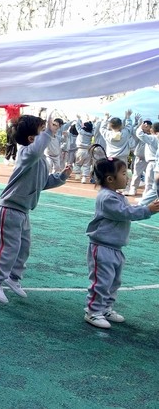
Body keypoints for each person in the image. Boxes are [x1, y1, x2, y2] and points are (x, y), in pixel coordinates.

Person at [0, 111, 72, 304]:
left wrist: (61, 177)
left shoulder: (40, 160)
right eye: (43, 131)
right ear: (32, 139)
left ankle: (13, 277)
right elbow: (35, 150)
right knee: (7, 248)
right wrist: (49, 132)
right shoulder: (26, 153)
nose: (48, 134)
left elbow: (42, 183)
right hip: (9, 209)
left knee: (23, 248)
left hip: (22, 211)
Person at [84, 151, 159, 329]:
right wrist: (147, 210)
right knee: (102, 281)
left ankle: (106, 308)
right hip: (102, 248)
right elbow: (125, 213)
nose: (128, 176)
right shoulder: (106, 198)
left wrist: (148, 208)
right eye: (124, 173)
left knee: (114, 281)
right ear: (110, 179)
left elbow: (128, 210)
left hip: (115, 247)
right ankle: (93, 311)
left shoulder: (117, 195)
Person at [127, 119, 152, 196]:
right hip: (140, 158)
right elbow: (134, 132)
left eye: (148, 126)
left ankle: (149, 192)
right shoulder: (140, 135)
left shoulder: (153, 135)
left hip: (150, 160)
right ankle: (133, 189)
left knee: (150, 176)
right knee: (136, 174)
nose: (146, 127)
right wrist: (139, 126)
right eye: (145, 125)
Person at [74, 116, 94, 184]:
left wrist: (78, 119)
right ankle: (84, 178)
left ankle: (77, 175)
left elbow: (77, 125)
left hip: (80, 150)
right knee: (87, 165)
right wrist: (92, 122)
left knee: (78, 163)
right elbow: (93, 128)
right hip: (88, 151)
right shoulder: (91, 134)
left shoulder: (81, 132)